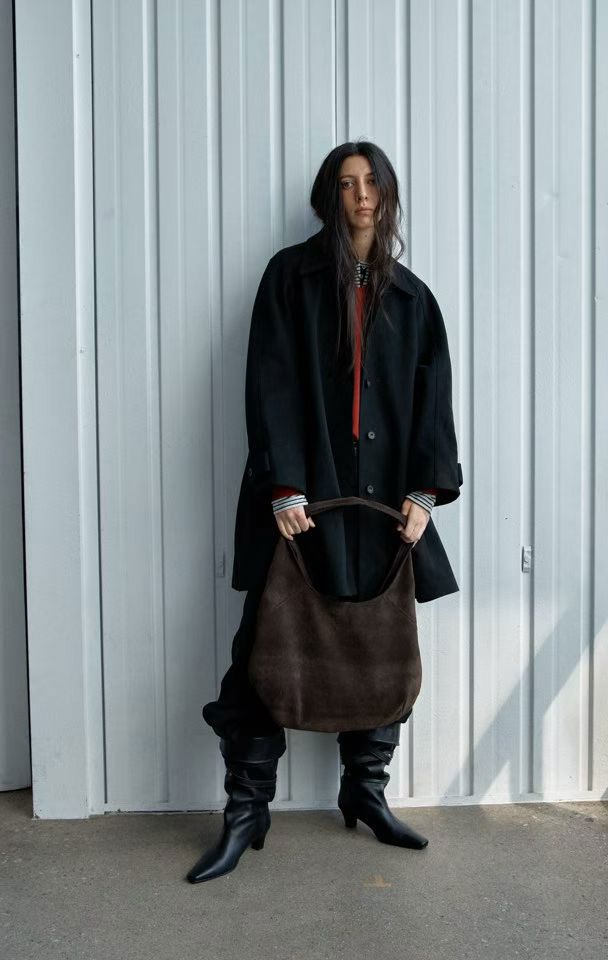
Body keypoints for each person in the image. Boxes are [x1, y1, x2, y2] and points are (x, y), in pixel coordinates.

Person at [186, 140, 462, 884]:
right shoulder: (290, 278)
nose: (361, 195)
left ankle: (364, 792)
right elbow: (269, 381)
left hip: (382, 513)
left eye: (372, 182)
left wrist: (425, 494)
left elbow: (433, 402)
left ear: (388, 194)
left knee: (381, 654)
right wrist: (283, 487)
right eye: (346, 183)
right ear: (327, 197)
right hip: (301, 511)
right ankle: (246, 812)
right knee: (262, 659)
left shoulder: (414, 299)